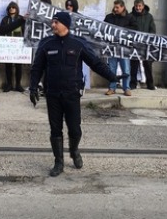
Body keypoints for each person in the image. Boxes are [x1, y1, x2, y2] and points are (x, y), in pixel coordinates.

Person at [29, 12, 119, 177]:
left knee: (75, 129)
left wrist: (112, 77)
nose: (53, 25)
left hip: (72, 93)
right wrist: (33, 87)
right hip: (53, 94)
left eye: (56, 22)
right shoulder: (46, 43)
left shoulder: (78, 43)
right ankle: (58, 162)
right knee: (55, 129)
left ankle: (74, 151)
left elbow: (95, 62)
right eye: (52, 22)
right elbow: (37, 68)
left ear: (65, 24)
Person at [104, 0, 136, 96]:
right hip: (112, 47)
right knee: (111, 69)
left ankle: (126, 88)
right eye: (115, 7)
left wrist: (123, 31)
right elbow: (103, 27)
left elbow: (136, 29)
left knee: (126, 69)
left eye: (117, 7)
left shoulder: (130, 17)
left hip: (124, 48)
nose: (115, 9)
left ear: (123, 7)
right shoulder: (109, 17)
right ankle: (112, 88)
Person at [130, 0, 156, 90]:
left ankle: (150, 84)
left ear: (143, 6)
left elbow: (152, 30)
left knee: (148, 65)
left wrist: (149, 40)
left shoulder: (149, 17)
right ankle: (132, 84)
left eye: (139, 6)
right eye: (136, 6)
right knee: (133, 65)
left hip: (146, 46)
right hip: (134, 45)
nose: (138, 8)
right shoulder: (130, 16)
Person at [1, 1, 25, 93]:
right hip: (8, 45)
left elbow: (25, 30)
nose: (11, 9)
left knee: (19, 65)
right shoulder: (5, 20)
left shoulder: (21, 19)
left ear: (16, 9)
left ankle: (18, 84)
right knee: (8, 65)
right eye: (10, 7)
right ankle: (9, 84)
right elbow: (2, 31)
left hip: (18, 45)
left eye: (13, 7)